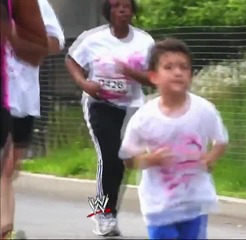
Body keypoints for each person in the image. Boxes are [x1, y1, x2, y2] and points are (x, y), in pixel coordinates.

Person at [119, 38, 229, 240]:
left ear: (191, 75)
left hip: (194, 200)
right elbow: (128, 158)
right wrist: (150, 160)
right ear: (153, 76)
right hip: (159, 205)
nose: (178, 72)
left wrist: (210, 158)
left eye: (184, 67)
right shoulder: (144, 117)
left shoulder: (204, 110)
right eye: (169, 67)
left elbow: (221, 141)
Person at [65, 0, 155, 236]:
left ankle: (112, 212)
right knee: (109, 159)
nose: (122, 10)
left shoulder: (145, 41)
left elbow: (154, 77)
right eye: (116, 6)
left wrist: (131, 73)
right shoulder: (92, 38)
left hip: (132, 107)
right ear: (108, 12)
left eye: (126, 6)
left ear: (133, 11)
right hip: (100, 105)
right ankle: (102, 215)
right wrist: (84, 83)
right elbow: (71, 60)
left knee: (125, 162)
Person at [1, 0, 64, 239]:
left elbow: (55, 42)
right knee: (5, 168)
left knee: (10, 168)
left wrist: (17, 35)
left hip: (23, 95)